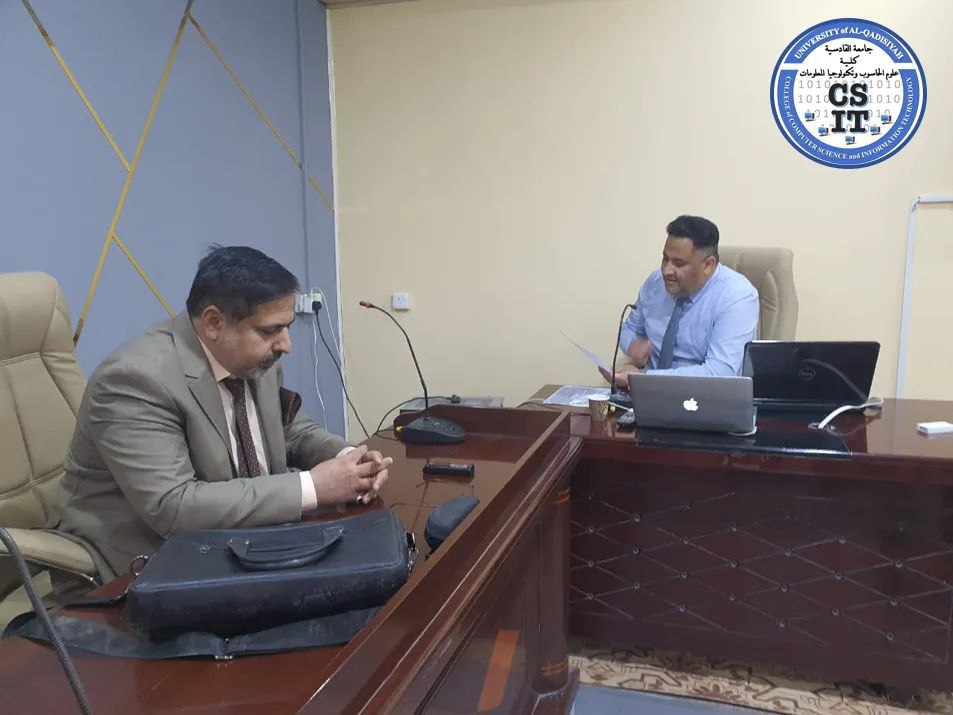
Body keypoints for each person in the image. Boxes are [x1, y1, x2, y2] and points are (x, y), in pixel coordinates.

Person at [54, 246, 391, 582]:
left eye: (286, 327)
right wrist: (313, 487)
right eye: (270, 330)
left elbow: (290, 431)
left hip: (246, 544)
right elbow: (174, 507)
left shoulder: (256, 360)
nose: (286, 345)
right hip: (145, 567)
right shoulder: (135, 379)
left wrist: (349, 459)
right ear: (214, 322)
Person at [601, 215, 759, 388]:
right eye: (665, 259)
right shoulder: (655, 283)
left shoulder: (736, 296)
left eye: (678, 263)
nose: (666, 270)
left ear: (708, 265)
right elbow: (630, 329)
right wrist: (632, 345)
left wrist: (645, 377)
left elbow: (719, 373)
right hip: (647, 395)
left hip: (704, 397)